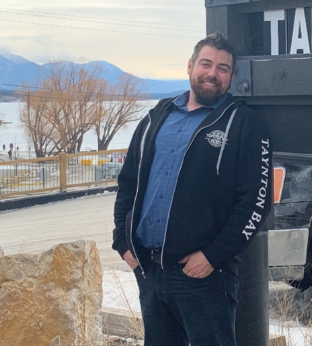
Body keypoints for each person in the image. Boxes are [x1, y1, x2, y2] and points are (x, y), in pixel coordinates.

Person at [112, 33, 273, 346]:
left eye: (223, 68)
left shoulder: (245, 125)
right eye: (206, 63)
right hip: (149, 270)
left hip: (203, 277)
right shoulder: (156, 116)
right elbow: (128, 183)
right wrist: (123, 240)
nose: (212, 73)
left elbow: (256, 203)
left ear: (232, 77)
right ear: (190, 66)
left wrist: (213, 256)